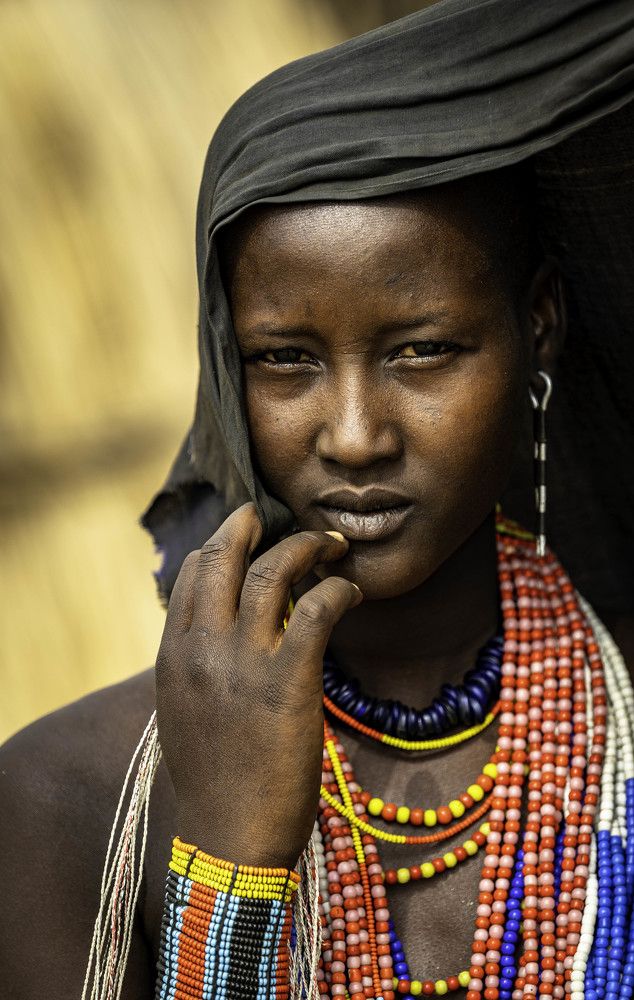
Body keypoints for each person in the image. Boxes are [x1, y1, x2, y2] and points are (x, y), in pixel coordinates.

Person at [1, 2, 633, 998]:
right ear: (225, 366)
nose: (351, 434)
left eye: (422, 350)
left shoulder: (621, 740)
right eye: (283, 359)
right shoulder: (67, 794)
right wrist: (231, 853)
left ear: (538, 327)